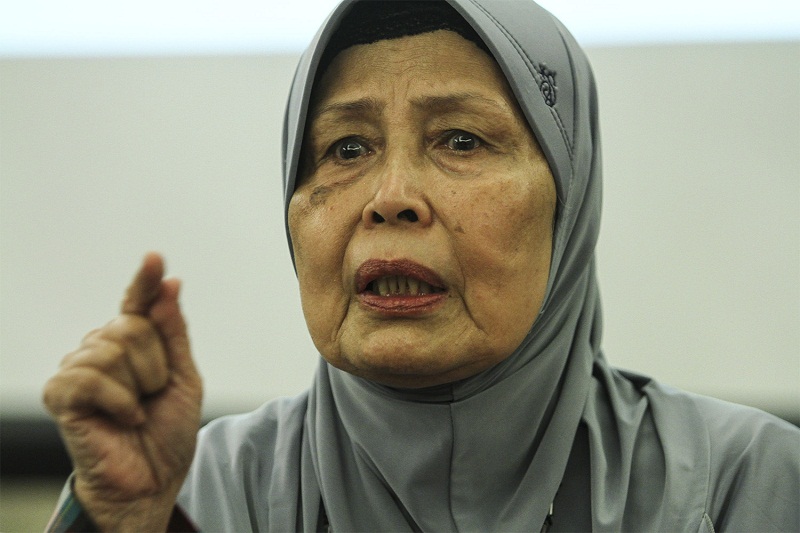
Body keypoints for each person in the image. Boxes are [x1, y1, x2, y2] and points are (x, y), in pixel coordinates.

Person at [44, 1, 799, 531]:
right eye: (346, 149)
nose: (391, 197)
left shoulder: (738, 484)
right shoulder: (205, 489)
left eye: (461, 140)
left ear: (570, 201)